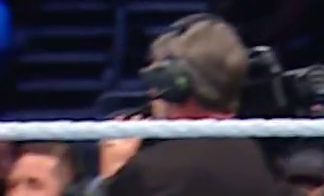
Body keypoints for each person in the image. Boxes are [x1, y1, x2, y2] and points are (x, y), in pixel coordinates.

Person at [94, 13, 289, 196]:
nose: (151, 91)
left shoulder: (150, 170)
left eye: (156, 79)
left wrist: (112, 178)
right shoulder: (264, 159)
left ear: (173, 84)